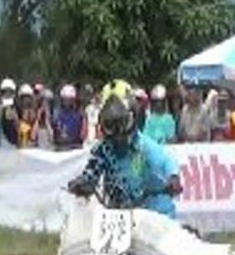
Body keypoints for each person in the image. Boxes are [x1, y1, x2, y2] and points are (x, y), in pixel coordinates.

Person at [68, 80, 182, 218]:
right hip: (119, 217)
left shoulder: (144, 146)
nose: (117, 135)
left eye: (120, 123)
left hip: (155, 213)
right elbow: (91, 174)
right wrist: (82, 184)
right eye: (111, 125)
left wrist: (173, 177)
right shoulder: (102, 151)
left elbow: (165, 161)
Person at [53, 84, 86, 150]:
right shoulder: (57, 113)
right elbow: (54, 131)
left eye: (68, 99)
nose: (66, 101)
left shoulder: (79, 114)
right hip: (60, 146)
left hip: (75, 147)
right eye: (65, 99)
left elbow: (83, 134)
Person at [16, 84, 37, 148]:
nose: (26, 100)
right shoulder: (16, 111)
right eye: (24, 97)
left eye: (28, 97)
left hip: (31, 143)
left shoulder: (33, 112)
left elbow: (35, 126)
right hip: (20, 142)